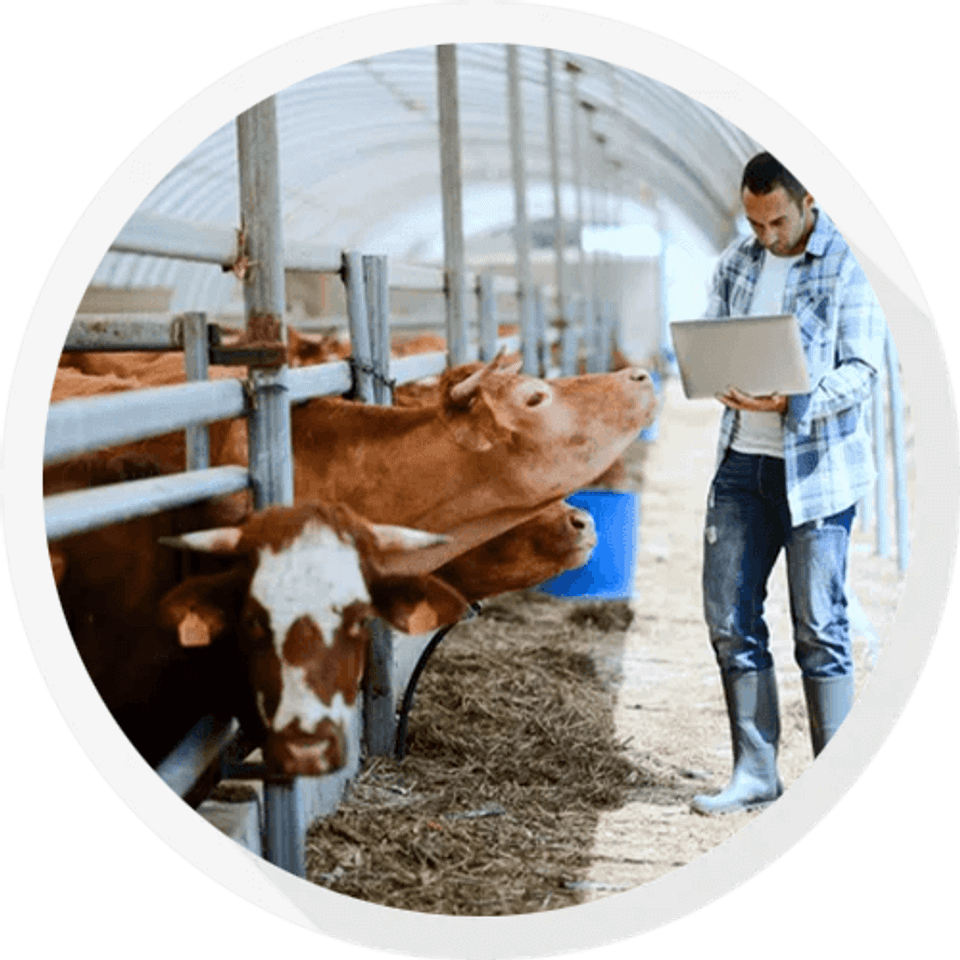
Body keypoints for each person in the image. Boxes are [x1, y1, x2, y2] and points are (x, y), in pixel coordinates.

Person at [690, 152, 888, 816]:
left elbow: (862, 371)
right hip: (742, 464)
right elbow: (711, 341)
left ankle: (834, 781)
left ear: (809, 202)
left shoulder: (847, 264)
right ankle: (755, 772)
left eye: (776, 220)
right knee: (730, 618)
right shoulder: (736, 263)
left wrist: (791, 400)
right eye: (754, 221)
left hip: (818, 473)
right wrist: (718, 377)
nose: (766, 235)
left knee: (819, 627)